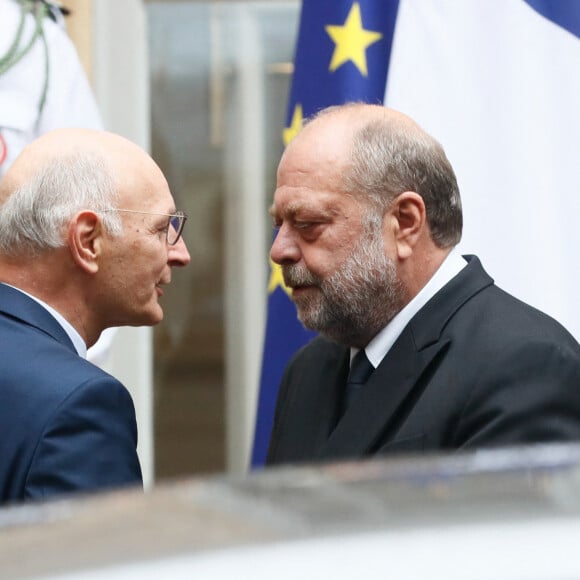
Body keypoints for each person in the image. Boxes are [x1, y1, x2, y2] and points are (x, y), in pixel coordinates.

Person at [266, 102, 580, 465]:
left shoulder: (526, 366)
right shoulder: (309, 370)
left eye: (307, 223)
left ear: (405, 222)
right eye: (279, 225)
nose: (279, 250)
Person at [0, 128, 190, 503]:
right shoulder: (78, 406)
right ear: (88, 241)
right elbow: (103, 561)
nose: (180, 253)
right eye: (161, 229)